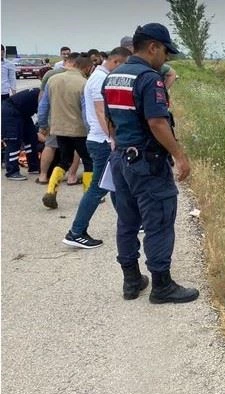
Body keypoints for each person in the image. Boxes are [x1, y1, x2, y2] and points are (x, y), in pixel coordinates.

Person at [103, 23, 198, 303]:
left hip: (121, 159)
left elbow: (110, 122)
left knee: (127, 220)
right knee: (159, 220)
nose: (166, 58)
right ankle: (161, 285)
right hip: (146, 162)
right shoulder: (149, 78)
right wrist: (180, 155)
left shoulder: (114, 76)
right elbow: (156, 121)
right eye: (165, 51)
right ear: (153, 47)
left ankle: (131, 280)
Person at [62, 47, 131, 249]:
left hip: (100, 139)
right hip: (102, 141)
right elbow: (101, 112)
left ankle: (130, 222)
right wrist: (113, 138)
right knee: (98, 188)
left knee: (116, 184)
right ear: (117, 62)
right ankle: (76, 232)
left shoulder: (98, 75)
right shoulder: (101, 79)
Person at [38, 54, 94, 210]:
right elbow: (85, 112)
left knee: (64, 160)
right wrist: (90, 131)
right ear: (87, 68)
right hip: (80, 130)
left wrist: (43, 125)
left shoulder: (52, 80)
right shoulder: (84, 83)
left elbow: (43, 107)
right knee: (89, 161)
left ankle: (51, 191)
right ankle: (88, 196)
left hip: (59, 129)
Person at [37, 52, 82, 185]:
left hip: (54, 117)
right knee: (75, 149)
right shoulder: (81, 77)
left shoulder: (50, 75)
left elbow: (42, 99)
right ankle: (72, 176)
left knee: (50, 146)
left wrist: (42, 123)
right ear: (75, 63)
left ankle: (43, 176)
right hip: (75, 118)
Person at [1, 88, 41, 180]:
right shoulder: (42, 94)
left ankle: (34, 166)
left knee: (31, 137)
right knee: (14, 140)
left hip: (23, 113)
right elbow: (43, 115)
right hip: (11, 111)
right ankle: (12, 171)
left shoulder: (42, 93)